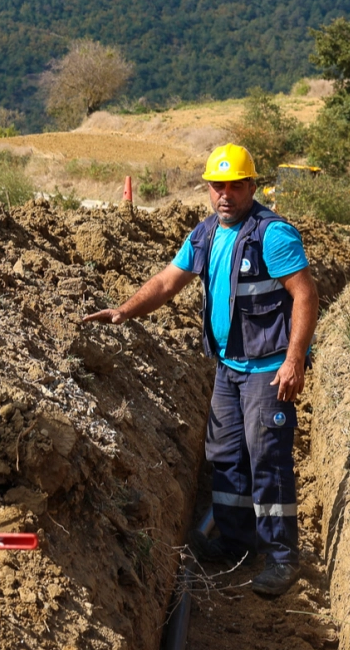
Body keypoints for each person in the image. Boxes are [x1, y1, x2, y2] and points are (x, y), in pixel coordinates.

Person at [83, 143, 319, 596]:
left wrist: (294, 360)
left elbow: (305, 295)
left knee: (266, 461)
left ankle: (282, 558)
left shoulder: (273, 235)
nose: (224, 195)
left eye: (234, 185)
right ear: (208, 189)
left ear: (252, 185)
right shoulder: (207, 233)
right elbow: (168, 281)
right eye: (217, 186)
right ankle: (235, 541)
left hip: (268, 369)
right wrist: (125, 311)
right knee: (226, 457)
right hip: (228, 368)